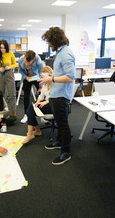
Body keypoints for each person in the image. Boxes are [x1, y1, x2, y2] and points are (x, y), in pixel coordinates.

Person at [40, 27, 76, 165]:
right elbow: (62, 73)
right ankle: (60, 142)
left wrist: (51, 79)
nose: (49, 45)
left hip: (62, 95)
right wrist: (50, 76)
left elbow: (70, 77)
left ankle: (65, 152)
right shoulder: (61, 53)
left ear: (55, 40)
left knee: (63, 123)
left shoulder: (66, 54)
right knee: (59, 122)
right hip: (56, 93)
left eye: (49, 41)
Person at [22, 66, 53, 144]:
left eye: (43, 77)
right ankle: (33, 132)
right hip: (46, 102)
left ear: (49, 75)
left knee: (31, 108)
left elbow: (55, 98)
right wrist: (38, 101)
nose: (42, 79)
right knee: (32, 106)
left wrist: (44, 102)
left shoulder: (54, 84)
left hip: (53, 105)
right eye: (41, 77)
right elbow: (41, 95)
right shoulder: (45, 84)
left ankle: (33, 132)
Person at [0, 39, 18, 116]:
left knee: (12, 94)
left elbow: (14, 64)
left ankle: (13, 111)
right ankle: (1, 110)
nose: (2, 49)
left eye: (4, 48)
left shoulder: (10, 53)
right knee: (0, 94)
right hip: (0, 74)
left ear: (6, 47)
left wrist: (9, 67)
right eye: (1, 48)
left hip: (9, 74)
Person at [18, 50, 44, 123]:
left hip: (36, 77)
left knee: (41, 94)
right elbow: (21, 70)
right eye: (25, 62)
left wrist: (40, 86)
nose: (26, 64)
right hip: (27, 78)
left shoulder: (38, 60)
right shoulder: (20, 60)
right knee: (26, 96)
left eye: (28, 64)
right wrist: (25, 77)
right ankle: (26, 114)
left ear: (33, 60)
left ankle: (43, 115)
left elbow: (41, 72)